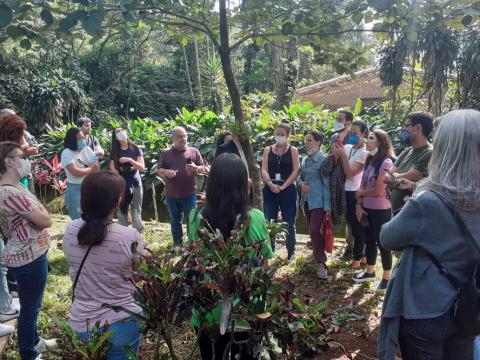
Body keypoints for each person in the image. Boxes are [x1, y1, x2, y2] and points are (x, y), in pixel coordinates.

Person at [378, 109, 480, 360]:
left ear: (444, 150)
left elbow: (388, 238)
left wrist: (412, 202)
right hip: (470, 306)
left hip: (426, 309)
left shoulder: (428, 203)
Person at [188, 153, 273, 359]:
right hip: (246, 311)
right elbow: (264, 264)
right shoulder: (254, 218)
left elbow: (193, 257)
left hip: (207, 311)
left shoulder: (196, 217)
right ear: (243, 183)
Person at [63, 171, 144, 359]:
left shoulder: (71, 229)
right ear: (117, 203)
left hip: (82, 322)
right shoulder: (129, 236)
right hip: (122, 320)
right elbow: (140, 274)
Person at [0, 141, 56, 359]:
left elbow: (40, 212)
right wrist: (40, 210)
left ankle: (34, 340)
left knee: (32, 303)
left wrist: (39, 209)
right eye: (21, 156)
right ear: (9, 162)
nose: (27, 160)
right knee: (30, 309)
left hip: (28, 253)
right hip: (28, 258)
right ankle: (29, 353)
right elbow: (45, 219)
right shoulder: (11, 193)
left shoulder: (16, 187)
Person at [353, 130, 394, 292]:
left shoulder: (387, 163)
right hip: (366, 207)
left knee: (382, 242)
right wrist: (359, 203)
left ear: (380, 142)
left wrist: (361, 193)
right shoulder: (370, 160)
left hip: (380, 209)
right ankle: (370, 272)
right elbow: (362, 183)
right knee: (368, 239)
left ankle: (386, 277)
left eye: (371, 138)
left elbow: (378, 190)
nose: (367, 141)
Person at [157, 127, 206, 251]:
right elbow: (159, 170)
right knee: (175, 220)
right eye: (179, 136)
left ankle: (192, 243)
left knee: (191, 220)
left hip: (189, 193)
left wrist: (195, 168)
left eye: (184, 136)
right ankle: (177, 243)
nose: (183, 139)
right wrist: (166, 172)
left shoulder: (194, 151)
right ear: (173, 138)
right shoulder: (166, 153)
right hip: (172, 194)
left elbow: (204, 168)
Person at [261, 123, 300, 260]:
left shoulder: (293, 150)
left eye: (282, 134)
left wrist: (284, 185)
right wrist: (270, 184)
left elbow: (296, 170)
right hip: (270, 189)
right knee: (269, 220)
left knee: (289, 221)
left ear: (288, 136)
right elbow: (264, 169)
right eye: (277, 134)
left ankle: (291, 251)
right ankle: (270, 249)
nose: (279, 136)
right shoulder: (267, 150)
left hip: (288, 190)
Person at [333, 120, 369, 269]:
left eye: (356, 134)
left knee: (357, 226)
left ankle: (357, 259)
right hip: (343, 191)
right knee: (350, 223)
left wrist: (344, 157)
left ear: (363, 135)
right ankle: (364, 256)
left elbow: (350, 174)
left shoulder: (364, 153)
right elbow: (334, 161)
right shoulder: (347, 147)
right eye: (351, 133)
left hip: (354, 193)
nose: (352, 136)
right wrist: (339, 143)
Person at [384, 112, 433, 214]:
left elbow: (412, 176)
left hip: (413, 213)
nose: (403, 129)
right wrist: (397, 178)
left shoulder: (429, 152)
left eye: (407, 126)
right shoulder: (407, 151)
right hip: (396, 212)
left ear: (419, 127)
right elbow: (386, 178)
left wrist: (395, 176)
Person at [298, 131, 331, 279]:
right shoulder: (305, 159)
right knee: (313, 231)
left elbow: (327, 184)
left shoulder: (324, 159)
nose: (307, 143)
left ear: (318, 142)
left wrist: (328, 206)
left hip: (319, 201)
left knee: (314, 230)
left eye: (310, 140)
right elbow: (300, 177)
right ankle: (316, 254)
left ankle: (322, 263)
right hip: (306, 200)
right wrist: (300, 184)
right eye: (306, 141)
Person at [110, 128, 145, 232]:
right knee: (121, 209)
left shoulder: (135, 148)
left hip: (135, 183)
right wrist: (122, 171)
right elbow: (113, 170)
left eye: (122, 130)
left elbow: (141, 167)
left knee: (136, 209)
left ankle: (137, 234)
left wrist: (129, 160)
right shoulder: (114, 151)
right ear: (115, 137)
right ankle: (122, 232)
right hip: (121, 184)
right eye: (118, 132)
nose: (121, 133)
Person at [61, 128, 100, 220]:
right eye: (79, 139)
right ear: (72, 140)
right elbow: (75, 172)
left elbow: (97, 165)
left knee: (91, 215)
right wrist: (91, 169)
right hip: (75, 189)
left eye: (83, 138)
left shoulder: (87, 149)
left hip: (89, 187)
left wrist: (92, 168)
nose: (82, 141)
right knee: (78, 219)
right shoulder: (66, 153)